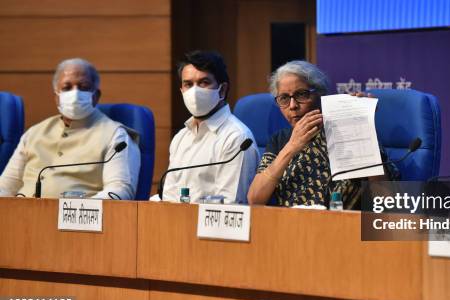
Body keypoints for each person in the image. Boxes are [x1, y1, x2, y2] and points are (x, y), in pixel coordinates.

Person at [247, 60, 400, 209]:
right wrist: (292, 147)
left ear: (320, 95)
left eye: (301, 94)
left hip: (342, 228)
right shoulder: (280, 140)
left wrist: (361, 128)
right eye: (284, 98)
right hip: (290, 228)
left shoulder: (348, 131)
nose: (292, 106)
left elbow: (386, 201)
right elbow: (255, 199)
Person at [0, 58, 140, 199]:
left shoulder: (116, 136)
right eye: (67, 88)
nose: (75, 94)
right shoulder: (34, 133)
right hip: (19, 215)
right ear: (56, 97)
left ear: (96, 96)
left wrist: (78, 210)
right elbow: (5, 186)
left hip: (77, 218)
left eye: (83, 87)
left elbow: (119, 191)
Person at [156, 50, 259, 203]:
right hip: (175, 223)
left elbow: (230, 206)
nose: (194, 91)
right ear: (182, 91)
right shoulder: (180, 138)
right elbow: (169, 197)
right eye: (188, 84)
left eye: (204, 82)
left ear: (222, 90)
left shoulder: (237, 138)